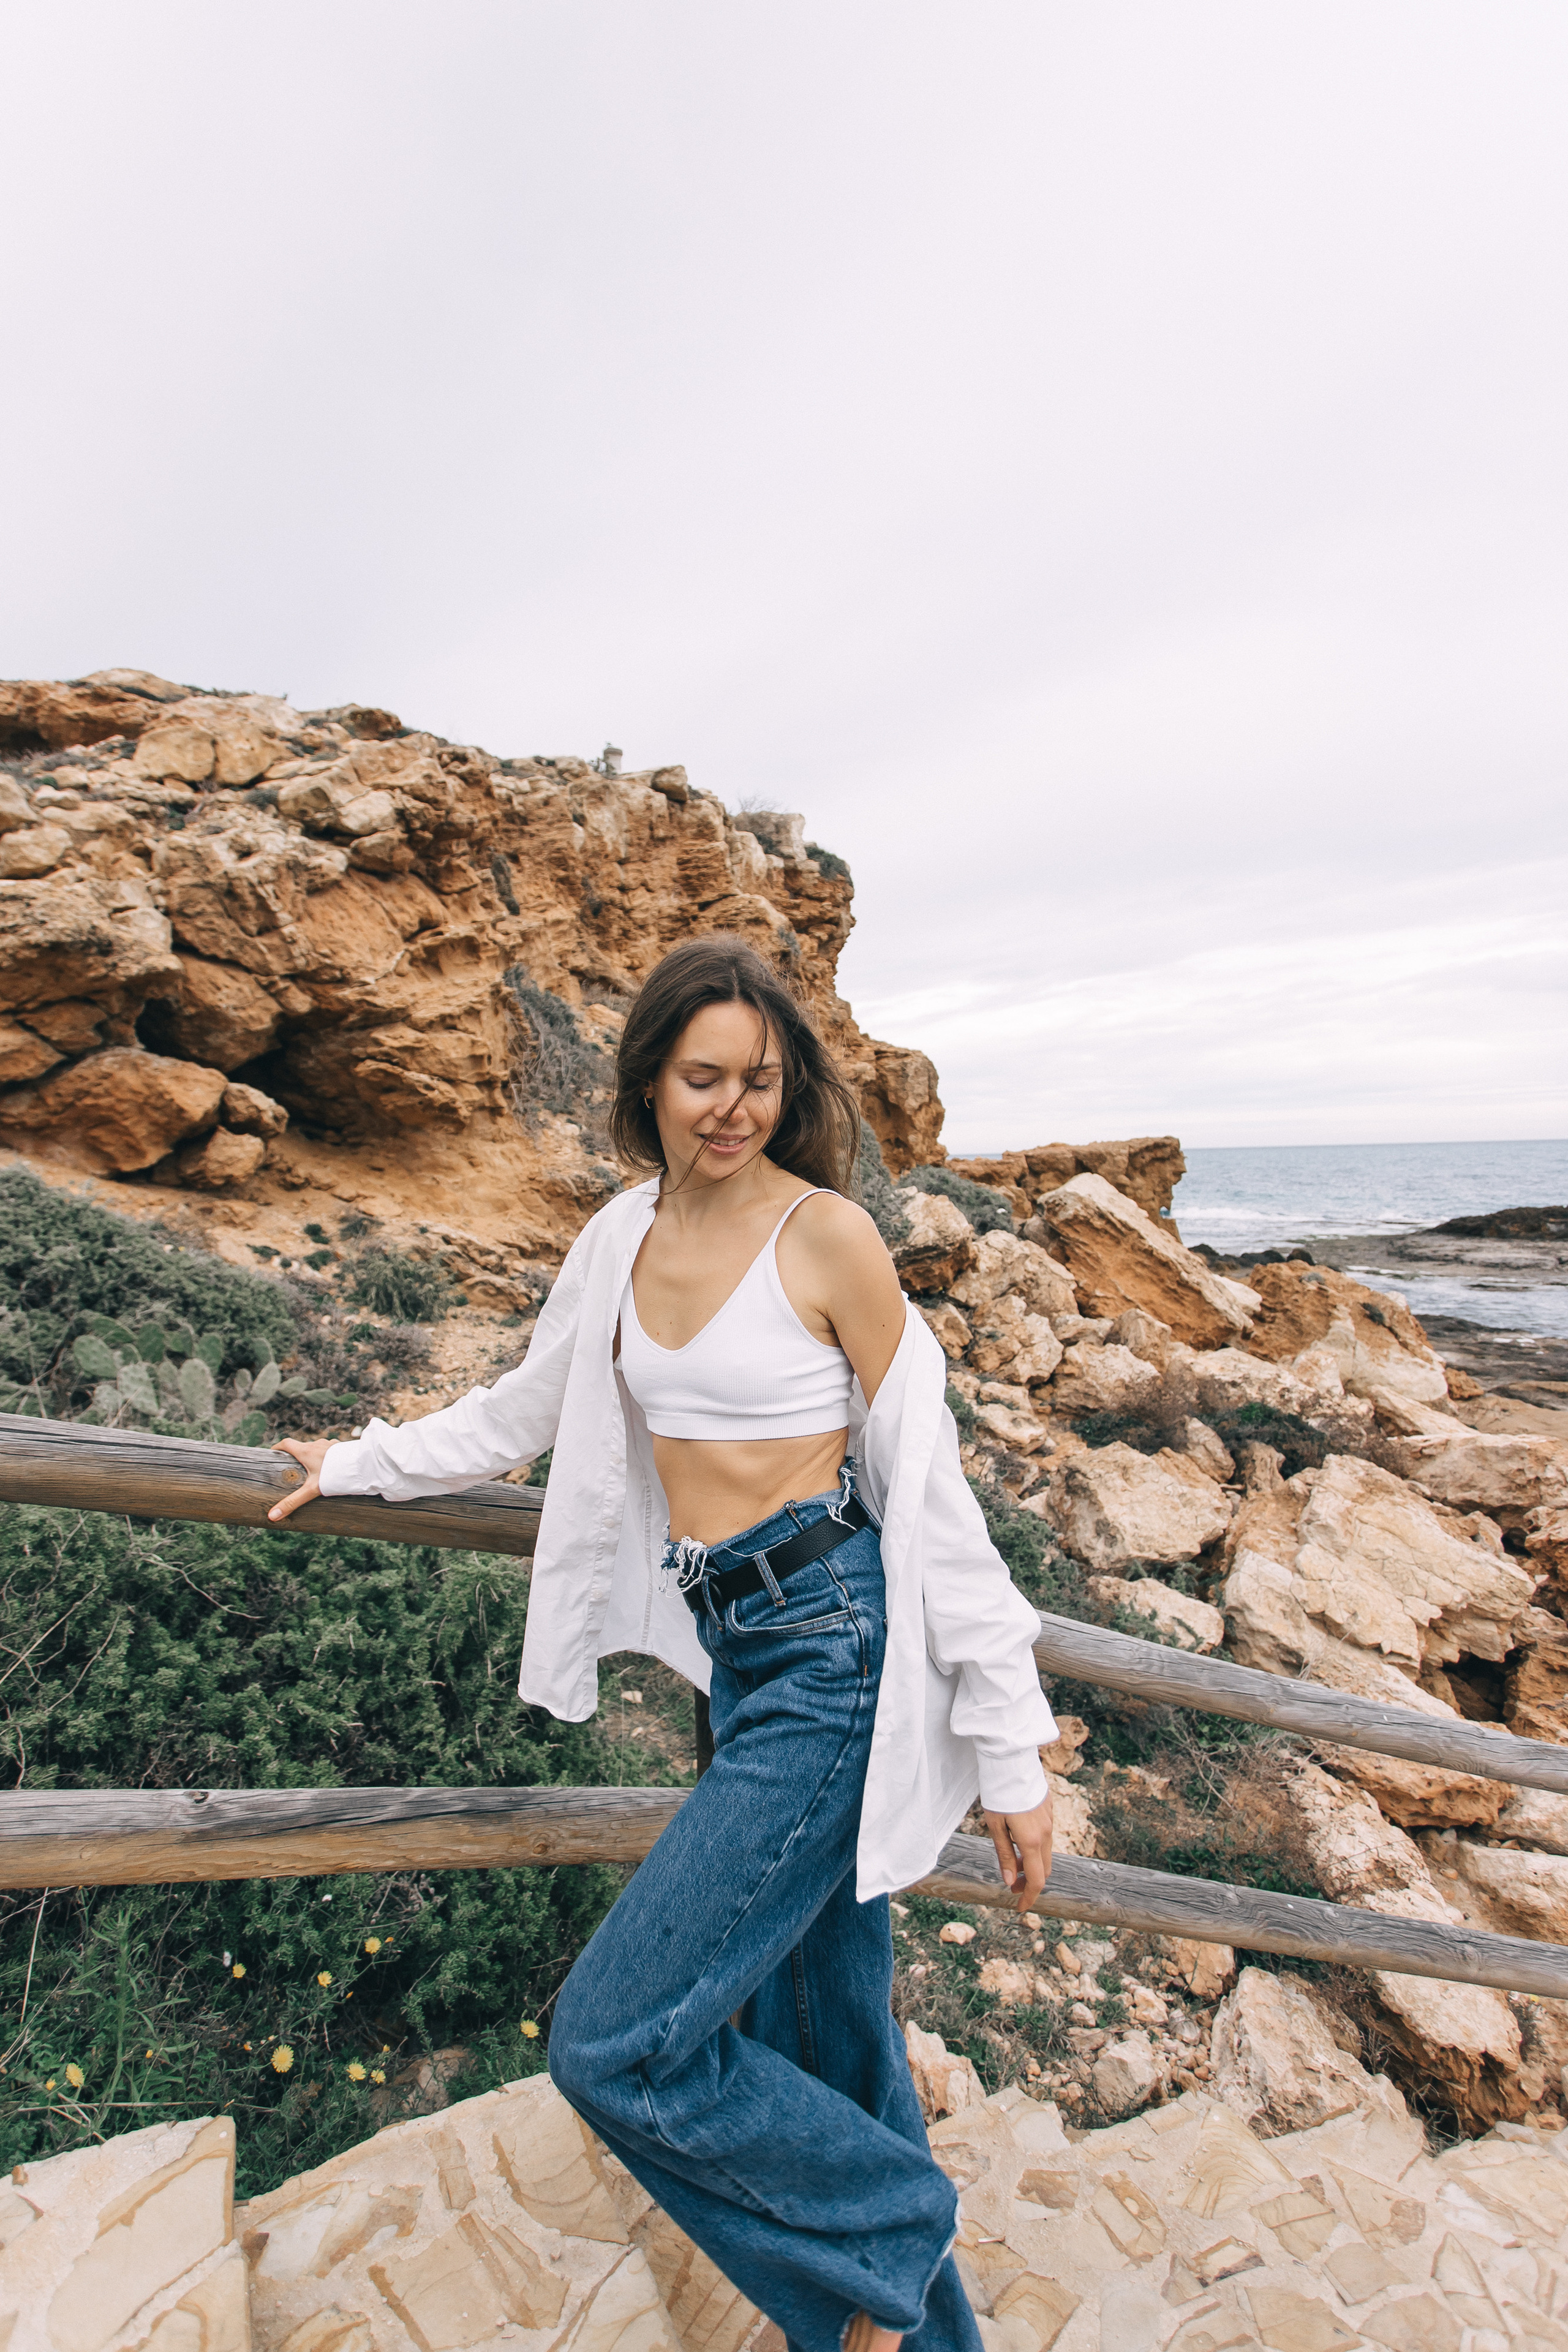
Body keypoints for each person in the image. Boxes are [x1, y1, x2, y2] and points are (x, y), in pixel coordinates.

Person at [269, 935, 1056, 2352]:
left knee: (614, 2041)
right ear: (648, 1079)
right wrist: (360, 1461)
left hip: (835, 1650)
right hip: (738, 1658)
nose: (731, 1107)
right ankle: (917, 2330)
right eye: (703, 1078)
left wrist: (1011, 1751)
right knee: (829, 2041)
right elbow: (523, 1410)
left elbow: (934, 1499)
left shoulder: (824, 1235)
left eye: (758, 1080)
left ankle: (890, 2222)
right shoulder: (617, 1236)